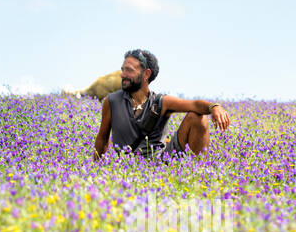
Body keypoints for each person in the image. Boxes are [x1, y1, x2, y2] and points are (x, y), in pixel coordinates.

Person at [93, 49, 231, 161]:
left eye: (129, 70)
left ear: (146, 74)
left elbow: (194, 104)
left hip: (161, 161)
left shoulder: (161, 102)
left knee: (198, 118)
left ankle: (197, 177)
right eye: (123, 69)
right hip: (126, 168)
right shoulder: (112, 101)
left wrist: (214, 106)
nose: (122, 74)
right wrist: (97, 171)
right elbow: (102, 138)